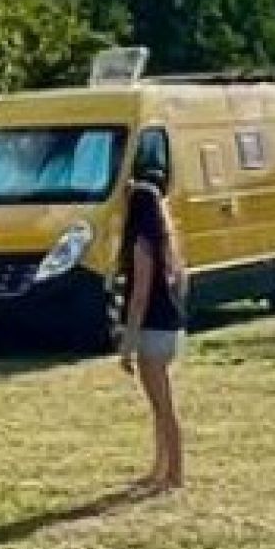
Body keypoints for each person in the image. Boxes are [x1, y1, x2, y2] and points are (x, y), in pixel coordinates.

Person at [118, 174, 187, 494]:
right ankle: (161, 468)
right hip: (169, 326)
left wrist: (127, 342)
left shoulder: (142, 245)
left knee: (163, 405)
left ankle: (174, 471)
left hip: (152, 330)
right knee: (160, 404)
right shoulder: (165, 242)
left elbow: (140, 295)